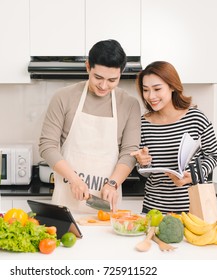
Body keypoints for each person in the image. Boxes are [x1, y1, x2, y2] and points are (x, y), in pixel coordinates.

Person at [38, 39, 141, 213]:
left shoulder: (129, 104)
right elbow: (47, 146)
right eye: (98, 77)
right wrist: (74, 179)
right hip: (66, 201)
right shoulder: (63, 97)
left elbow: (130, 153)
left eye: (112, 80)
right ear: (88, 67)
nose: (103, 85)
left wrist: (113, 183)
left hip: (106, 203)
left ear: (121, 73)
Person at [131, 61, 217, 214]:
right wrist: (142, 162)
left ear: (172, 86)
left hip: (192, 208)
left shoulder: (196, 118)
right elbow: (143, 170)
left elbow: (214, 156)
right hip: (153, 209)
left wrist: (192, 176)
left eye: (157, 89)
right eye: (145, 90)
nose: (150, 96)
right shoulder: (143, 124)